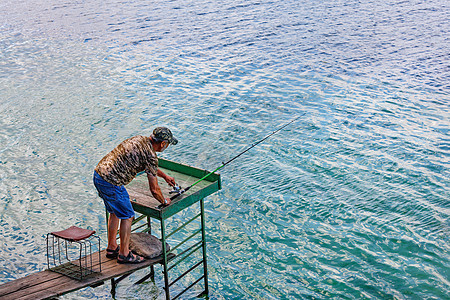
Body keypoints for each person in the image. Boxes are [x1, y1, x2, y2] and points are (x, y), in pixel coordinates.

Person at [93, 127, 178, 264]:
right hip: (112, 182)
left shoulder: (139, 139)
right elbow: (154, 190)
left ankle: (112, 247)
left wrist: (165, 176)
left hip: (99, 175)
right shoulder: (150, 155)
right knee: (128, 215)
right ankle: (124, 254)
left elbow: (150, 167)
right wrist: (164, 201)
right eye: (167, 144)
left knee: (114, 212)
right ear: (163, 144)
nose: (166, 147)